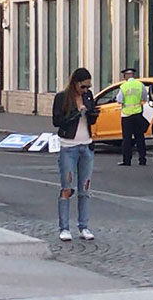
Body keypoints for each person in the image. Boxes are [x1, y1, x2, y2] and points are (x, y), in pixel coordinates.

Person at [52, 68, 99, 241]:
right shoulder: (62, 98)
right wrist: (76, 112)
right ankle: (64, 227)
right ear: (75, 84)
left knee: (85, 188)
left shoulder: (88, 96)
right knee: (67, 188)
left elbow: (91, 119)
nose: (86, 90)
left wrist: (93, 114)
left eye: (88, 87)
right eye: (83, 87)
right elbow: (57, 121)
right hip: (68, 146)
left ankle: (83, 226)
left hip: (86, 145)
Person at [116, 68, 148, 167]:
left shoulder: (123, 86)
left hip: (126, 115)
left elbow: (119, 100)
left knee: (127, 139)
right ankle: (142, 159)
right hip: (138, 114)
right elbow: (144, 97)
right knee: (140, 138)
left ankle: (127, 160)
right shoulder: (140, 85)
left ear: (126, 76)